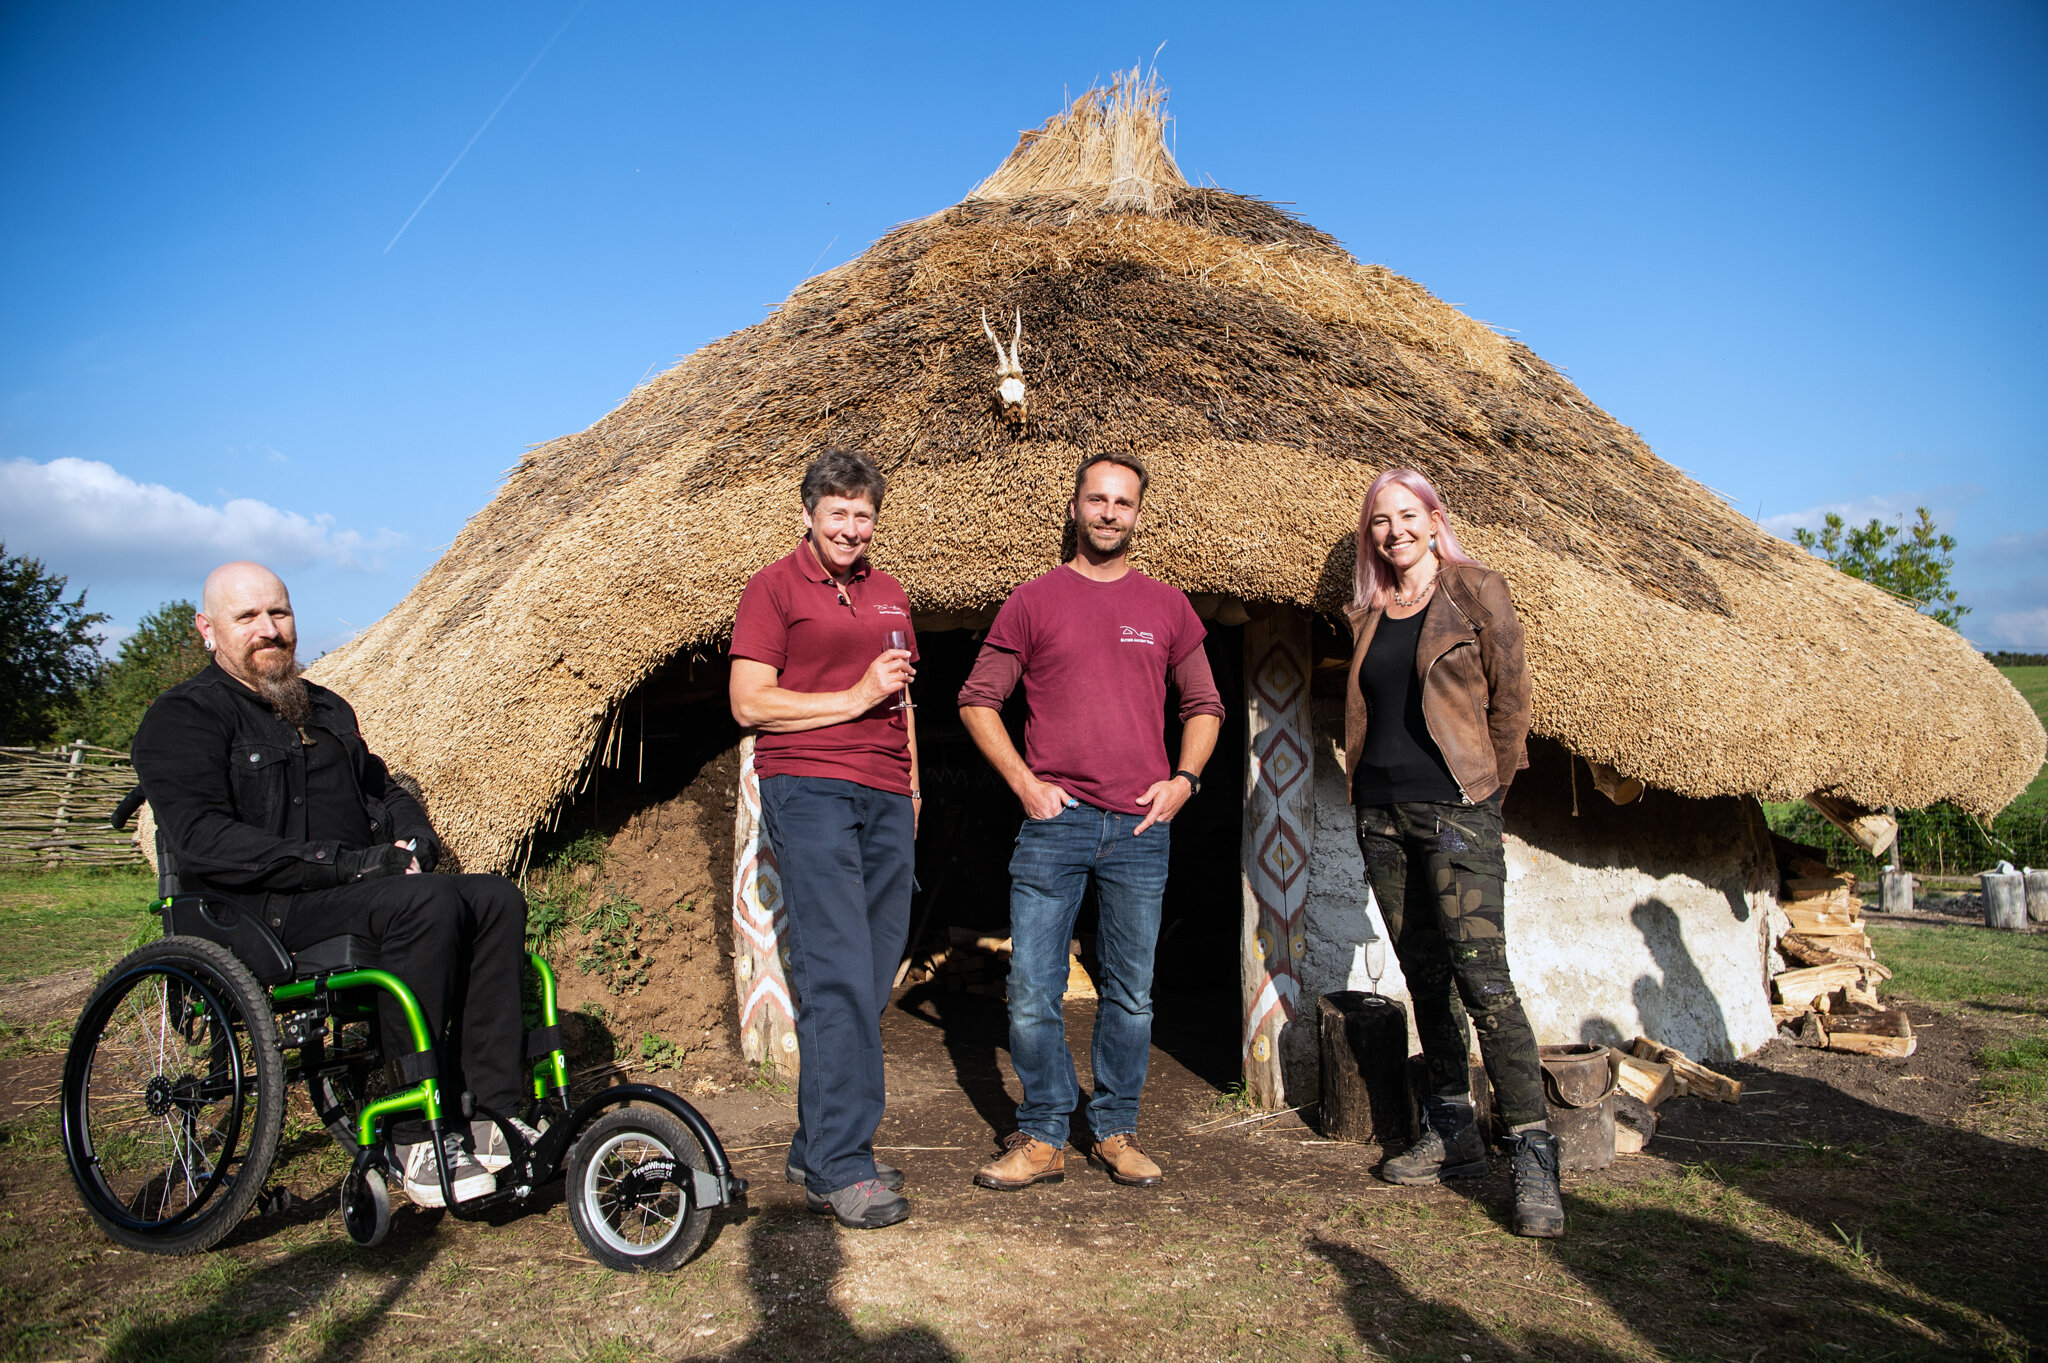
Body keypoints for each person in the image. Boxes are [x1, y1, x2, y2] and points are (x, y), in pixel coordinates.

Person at [131, 562, 534, 1209]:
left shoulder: (325, 707)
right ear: (209, 630)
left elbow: (382, 788)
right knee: (426, 904)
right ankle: (414, 1134)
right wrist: (347, 863)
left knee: (494, 897)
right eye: (248, 617)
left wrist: (415, 840)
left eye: (279, 613)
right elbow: (207, 840)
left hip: (349, 892)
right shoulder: (183, 718)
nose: (269, 629)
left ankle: (492, 1115)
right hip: (259, 912)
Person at [959, 452, 1224, 1192]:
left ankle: (1114, 1128)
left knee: (1131, 990)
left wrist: (1184, 780)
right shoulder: (1035, 600)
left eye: (1123, 502)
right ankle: (1043, 1135)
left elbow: (1205, 705)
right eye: (1097, 499)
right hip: (1057, 824)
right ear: (1075, 507)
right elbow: (978, 698)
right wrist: (1023, 782)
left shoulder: (1167, 606)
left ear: (1139, 514)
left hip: (1141, 828)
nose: (1109, 512)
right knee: (1032, 988)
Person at [1343, 468, 1563, 1238]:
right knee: (1425, 977)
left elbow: (1512, 700)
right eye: (1380, 520)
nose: (1394, 530)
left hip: (1456, 811)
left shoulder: (1475, 591)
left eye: (1408, 515)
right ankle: (1452, 1128)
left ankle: (1534, 1153)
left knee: (1483, 978)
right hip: (1380, 813)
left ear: (1435, 520)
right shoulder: (1370, 611)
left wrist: (1487, 797)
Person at [729, 448, 920, 1230]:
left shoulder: (890, 593)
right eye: (836, 512)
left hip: (885, 793)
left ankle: (816, 1143)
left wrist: (913, 793)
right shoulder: (773, 588)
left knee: (872, 972)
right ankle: (845, 1162)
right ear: (808, 514)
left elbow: (904, 703)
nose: (850, 527)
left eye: (863, 514)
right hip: (808, 786)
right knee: (837, 969)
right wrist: (852, 695)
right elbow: (749, 702)